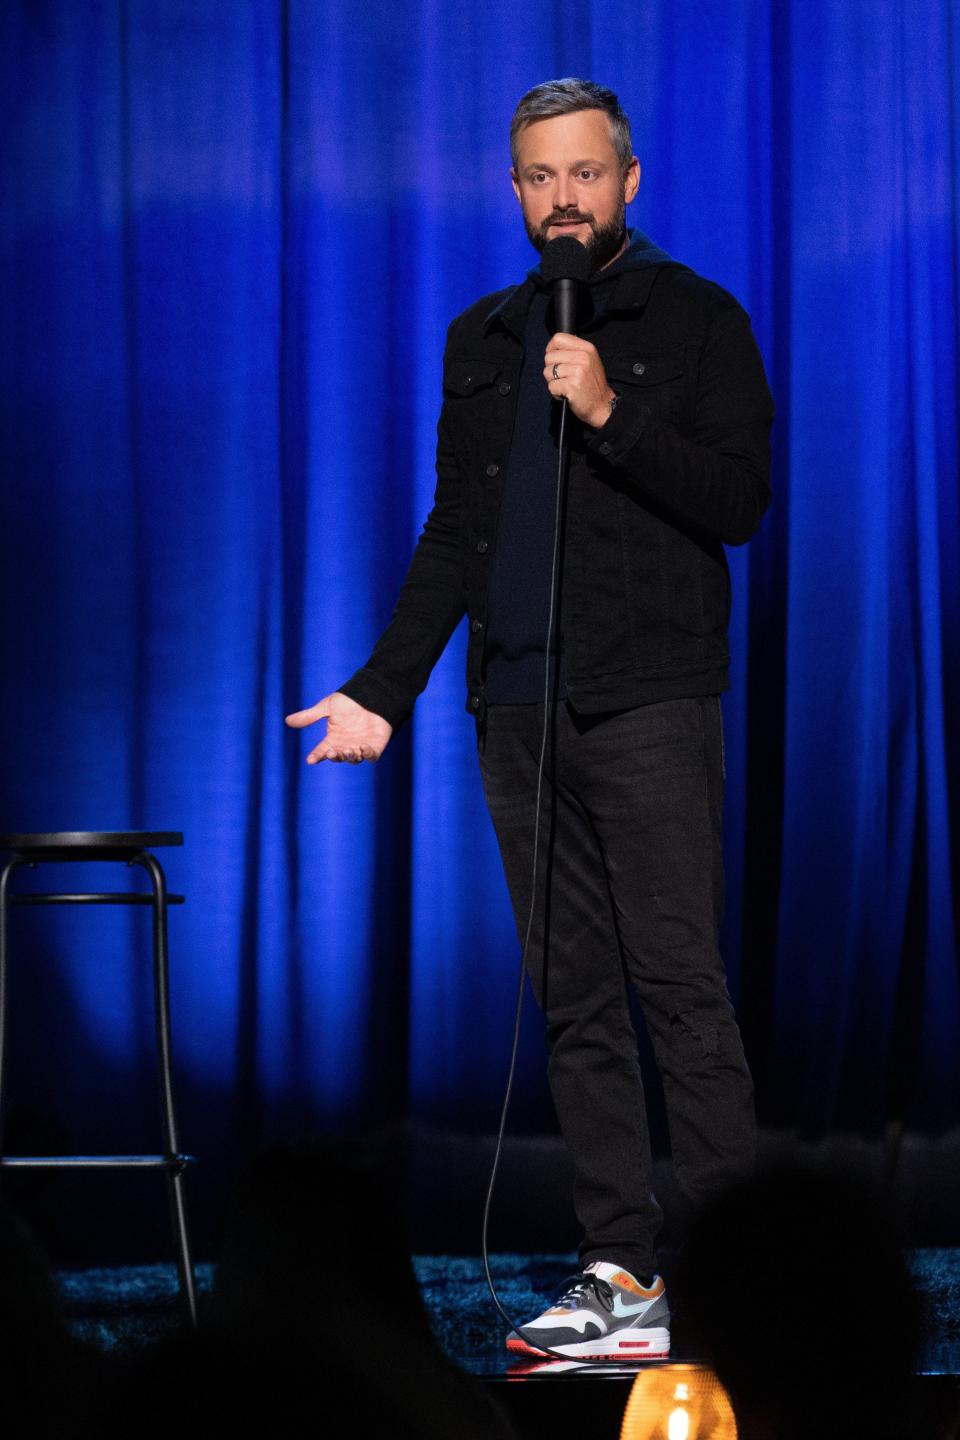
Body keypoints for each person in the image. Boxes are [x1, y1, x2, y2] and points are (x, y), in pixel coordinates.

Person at [286, 78, 774, 1360]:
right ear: (515, 191)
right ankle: (625, 1281)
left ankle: (740, 1288)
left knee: (681, 993)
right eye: (540, 178)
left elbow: (738, 500)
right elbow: (458, 531)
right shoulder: (485, 336)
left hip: (652, 704)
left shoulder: (697, 317)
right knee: (574, 1005)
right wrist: (381, 691)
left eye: (586, 175)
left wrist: (612, 411)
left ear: (629, 181)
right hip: (516, 707)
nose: (564, 199)